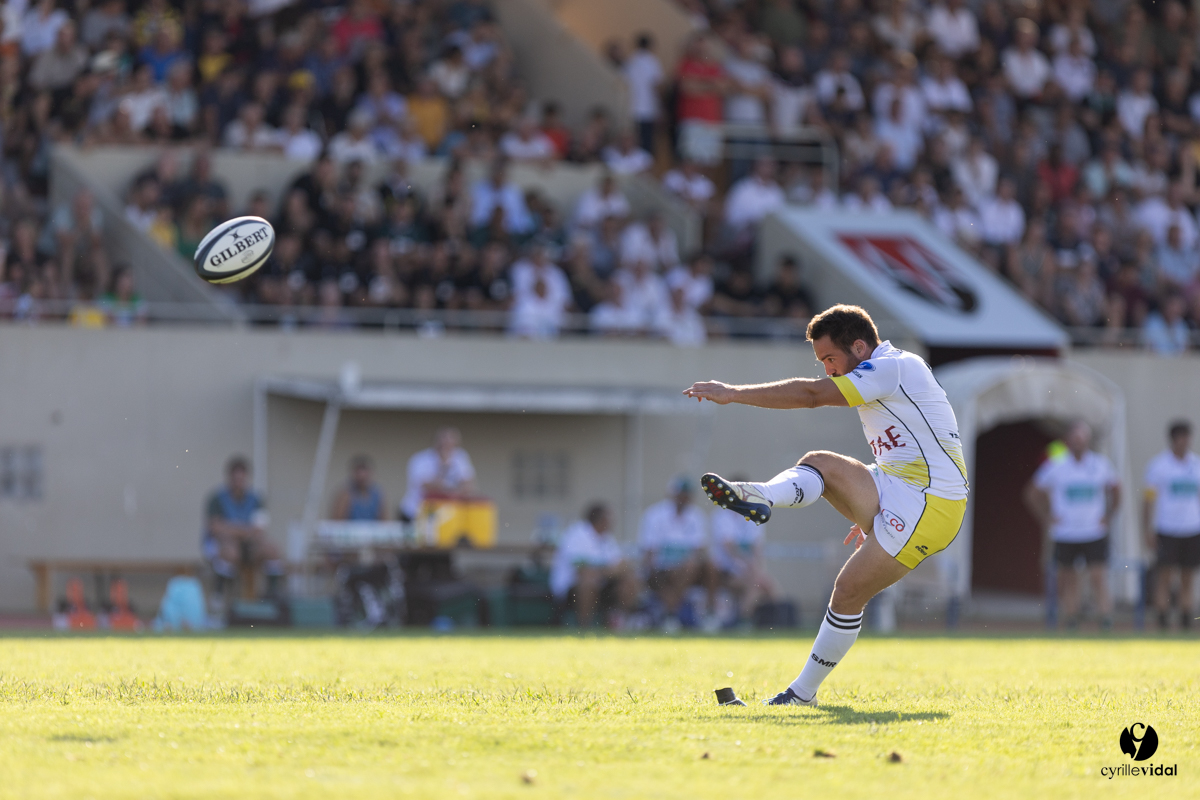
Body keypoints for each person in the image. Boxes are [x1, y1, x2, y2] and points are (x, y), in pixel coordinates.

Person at [684, 304, 969, 704]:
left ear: (858, 346)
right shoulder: (885, 370)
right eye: (822, 362)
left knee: (848, 590)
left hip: (932, 504)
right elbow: (903, 454)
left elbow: (811, 395)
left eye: (830, 359)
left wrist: (732, 393)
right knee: (819, 463)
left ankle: (802, 695)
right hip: (897, 487)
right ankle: (761, 496)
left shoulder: (893, 367)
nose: (828, 370)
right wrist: (866, 502)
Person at [1024, 422, 1120, 630]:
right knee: (1068, 577)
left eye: (1082, 440)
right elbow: (1032, 492)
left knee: (1097, 576)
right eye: (1075, 440)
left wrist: (1109, 515)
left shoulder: (1100, 464)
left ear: (1087, 442)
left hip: (1094, 531)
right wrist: (1047, 517)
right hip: (1066, 532)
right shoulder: (1056, 465)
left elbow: (1116, 489)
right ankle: (1071, 617)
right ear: (1068, 442)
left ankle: (1105, 617)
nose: (1078, 444)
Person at [1143, 421, 1200, 631]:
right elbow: (1148, 500)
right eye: (1182, 438)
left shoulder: (1196, 465)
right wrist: (1147, 529)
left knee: (1188, 576)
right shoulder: (1159, 466)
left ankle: (1187, 617)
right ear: (1173, 440)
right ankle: (1163, 617)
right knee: (1165, 576)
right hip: (1167, 528)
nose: (1186, 442)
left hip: (1192, 528)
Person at [203, 456, 285, 600]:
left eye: (241, 479)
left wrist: (232, 529)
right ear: (229, 478)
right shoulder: (217, 499)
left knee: (273, 550)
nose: (238, 484)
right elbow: (216, 528)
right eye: (235, 480)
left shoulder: (255, 499)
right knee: (230, 552)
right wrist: (244, 530)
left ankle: (273, 597)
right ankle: (220, 598)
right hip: (220, 546)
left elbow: (260, 529)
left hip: (248, 545)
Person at [638, 476, 711, 633]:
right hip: (661, 568)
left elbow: (699, 550)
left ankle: (675, 614)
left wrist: (684, 566)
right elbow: (649, 551)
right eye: (681, 494)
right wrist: (650, 573)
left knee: (707, 567)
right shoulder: (654, 515)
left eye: (687, 495)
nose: (684, 499)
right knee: (683, 570)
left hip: (686, 570)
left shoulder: (696, 516)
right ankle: (673, 614)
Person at [550, 502, 641, 628]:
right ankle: (584, 627)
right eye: (610, 518)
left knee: (629, 580)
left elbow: (621, 564)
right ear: (601, 519)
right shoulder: (577, 534)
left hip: (601, 583)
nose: (612, 522)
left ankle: (624, 623)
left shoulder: (607, 538)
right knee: (588, 583)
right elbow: (581, 570)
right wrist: (609, 571)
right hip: (570, 587)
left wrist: (615, 569)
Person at [709, 489, 779, 626]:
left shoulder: (754, 514)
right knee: (758, 584)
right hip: (725, 571)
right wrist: (749, 566)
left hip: (748, 571)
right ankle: (744, 620)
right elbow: (729, 548)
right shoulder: (721, 516)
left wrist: (757, 569)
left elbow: (757, 549)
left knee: (765, 585)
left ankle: (762, 621)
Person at [400, 428, 476, 521]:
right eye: (444, 442)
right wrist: (443, 466)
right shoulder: (421, 459)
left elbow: (468, 485)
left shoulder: (460, 457)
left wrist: (454, 491)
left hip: (444, 515)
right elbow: (427, 487)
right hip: (415, 512)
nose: (447, 446)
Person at [331, 455, 388, 521]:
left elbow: (385, 522)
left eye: (365, 473)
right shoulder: (345, 494)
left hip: (371, 531)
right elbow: (337, 522)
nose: (362, 477)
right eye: (359, 473)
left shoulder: (378, 495)